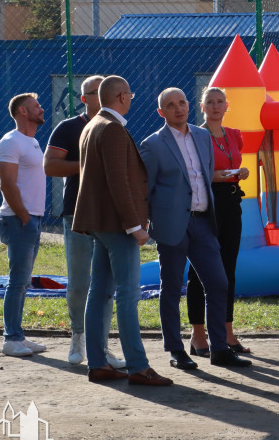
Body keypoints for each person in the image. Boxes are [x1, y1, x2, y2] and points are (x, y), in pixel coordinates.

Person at [138, 87, 251, 371]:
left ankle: (219, 348)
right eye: (171, 105)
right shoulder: (153, 145)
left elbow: (205, 177)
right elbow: (144, 189)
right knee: (172, 288)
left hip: (203, 221)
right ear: (161, 112)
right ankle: (176, 350)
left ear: (189, 105)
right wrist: (146, 224)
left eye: (182, 102)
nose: (178, 108)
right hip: (172, 226)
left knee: (219, 282)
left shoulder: (202, 137)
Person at [74, 76, 172, 386]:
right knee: (127, 297)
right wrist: (135, 226)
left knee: (100, 293)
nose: (131, 98)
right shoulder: (113, 129)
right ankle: (138, 367)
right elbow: (119, 182)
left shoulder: (92, 125)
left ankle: (99, 363)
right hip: (118, 225)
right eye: (129, 94)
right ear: (122, 97)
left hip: (100, 223)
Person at [43, 75, 124, 369]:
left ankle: (101, 346)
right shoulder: (69, 127)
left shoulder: (117, 127)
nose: (102, 97)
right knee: (79, 283)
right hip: (77, 215)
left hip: (111, 217)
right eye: (94, 92)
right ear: (83, 98)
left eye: (106, 92)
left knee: (105, 285)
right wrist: (87, 165)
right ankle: (78, 335)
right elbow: (50, 166)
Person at [190, 87, 253, 354]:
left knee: (228, 268)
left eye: (220, 102)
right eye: (210, 102)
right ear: (202, 106)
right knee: (198, 270)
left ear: (227, 106)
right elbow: (194, 173)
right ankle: (198, 334)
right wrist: (219, 175)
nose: (216, 106)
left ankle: (227, 332)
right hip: (205, 204)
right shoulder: (194, 136)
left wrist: (241, 172)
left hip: (231, 202)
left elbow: (234, 164)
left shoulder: (234, 135)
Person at [0, 94, 47, 357]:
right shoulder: (10, 141)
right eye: (37, 107)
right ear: (23, 111)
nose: (42, 109)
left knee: (23, 281)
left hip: (32, 219)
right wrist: (25, 217)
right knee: (17, 282)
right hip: (18, 220)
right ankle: (11, 339)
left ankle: (18, 336)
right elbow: (6, 183)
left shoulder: (33, 141)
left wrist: (32, 218)